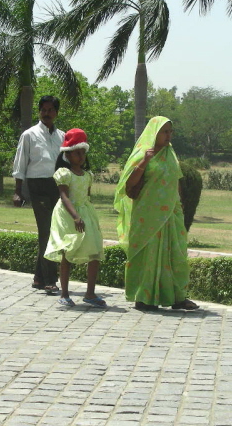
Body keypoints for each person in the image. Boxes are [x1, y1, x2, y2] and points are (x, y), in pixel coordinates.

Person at [114, 116, 199, 311]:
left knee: (175, 254)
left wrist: (179, 204)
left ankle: (178, 297)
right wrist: (145, 161)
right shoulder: (143, 154)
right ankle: (144, 297)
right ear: (155, 133)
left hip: (170, 213)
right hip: (147, 215)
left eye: (170, 131)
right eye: (164, 131)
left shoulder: (171, 154)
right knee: (148, 254)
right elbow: (129, 184)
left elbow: (176, 180)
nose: (168, 135)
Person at [44, 129, 106, 308]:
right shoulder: (64, 173)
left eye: (83, 153)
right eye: (77, 153)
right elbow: (64, 197)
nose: (81, 156)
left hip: (86, 214)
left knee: (94, 251)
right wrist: (75, 216)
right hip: (68, 215)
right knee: (68, 252)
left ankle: (90, 293)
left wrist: (85, 216)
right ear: (67, 155)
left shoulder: (88, 176)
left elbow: (86, 197)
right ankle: (64, 293)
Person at [12, 96, 65, 294]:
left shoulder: (62, 136)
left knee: (51, 231)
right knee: (47, 231)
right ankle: (50, 279)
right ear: (39, 112)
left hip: (57, 186)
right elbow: (20, 164)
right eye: (44, 110)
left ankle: (38, 277)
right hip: (37, 186)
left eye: (51, 110)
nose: (47, 113)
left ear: (56, 112)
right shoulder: (29, 135)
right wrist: (18, 192)